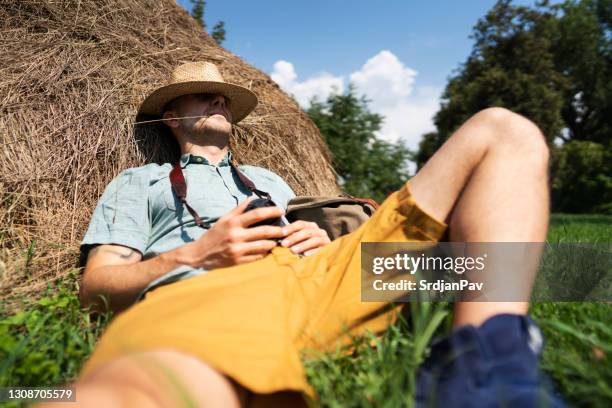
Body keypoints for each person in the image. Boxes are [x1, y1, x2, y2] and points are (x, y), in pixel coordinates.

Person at [39, 61, 565, 407]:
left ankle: (483, 362)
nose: (220, 103)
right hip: (214, 290)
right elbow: (95, 288)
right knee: (140, 393)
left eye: (224, 99)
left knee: (504, 132)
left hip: (323, 274)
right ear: (172, 117)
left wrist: (320, 241)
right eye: (204, 97)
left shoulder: (269, 179)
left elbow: (314, 233)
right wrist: (200, 252)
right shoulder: (141, 181)